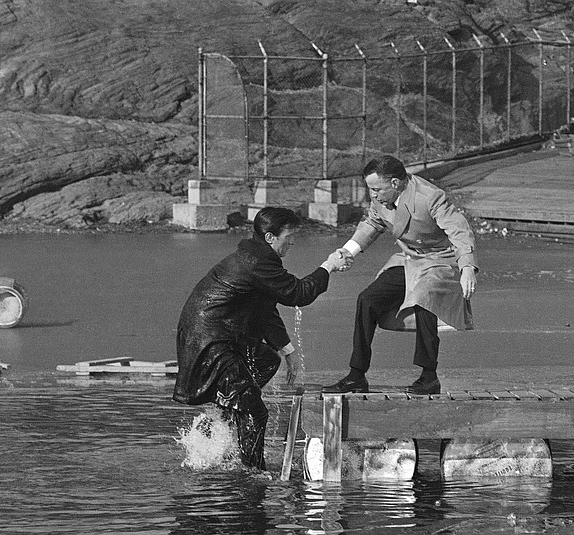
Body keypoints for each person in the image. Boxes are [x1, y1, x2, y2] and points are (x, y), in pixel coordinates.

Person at [173, 207, 350, 470]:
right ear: (269, 237)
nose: (292, 241)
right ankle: (253, 471)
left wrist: (287, 351)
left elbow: (265, 308)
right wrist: (328, 267)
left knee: (266, 360)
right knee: (254, 411)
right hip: (210, 338)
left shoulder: (255, 257)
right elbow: (298, 293)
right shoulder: (258, 262)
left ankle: (222, 420)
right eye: (288, 236)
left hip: (217, 335)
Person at [322, 155, 478, 396]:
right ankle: (356, 375)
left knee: (425, 299)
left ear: (395, 183)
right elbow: (371, 224)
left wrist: (467, 267)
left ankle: (429, 376)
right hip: (409, 259)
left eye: (376, 189)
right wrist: (348, 252)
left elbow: (459, 230)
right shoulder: (382, 199)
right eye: (370, 189)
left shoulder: (430, 196)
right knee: (367, 299)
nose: (373, 195)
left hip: (440, 259)